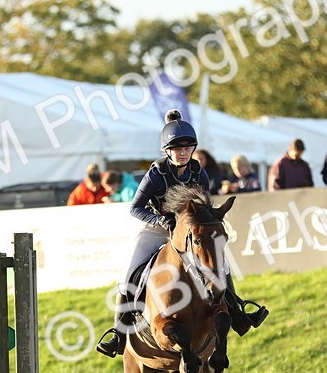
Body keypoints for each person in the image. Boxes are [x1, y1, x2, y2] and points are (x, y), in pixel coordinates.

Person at [95, 110, 268, 358]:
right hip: (158, 228)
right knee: (129, 275)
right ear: (167, 151)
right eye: (177, 148)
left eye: (187, 147)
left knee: (222, 266)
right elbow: (135, 207)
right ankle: (119, 335)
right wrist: (159, 219)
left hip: (191, 232)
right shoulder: (156, 173)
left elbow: (205, 208)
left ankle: (238, 314)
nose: (183, 152)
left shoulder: (199, 173)